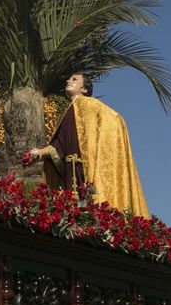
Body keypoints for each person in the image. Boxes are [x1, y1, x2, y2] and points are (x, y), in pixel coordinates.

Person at [45, 72, 148, 215]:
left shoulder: (92, 105)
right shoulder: (65, 114)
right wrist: (39, 153)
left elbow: (115, 119)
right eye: (69, 79)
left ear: (84, 89)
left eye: (74, 79)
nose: (68, 81)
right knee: (73, 208)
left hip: (87, 167)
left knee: (88, 204)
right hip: (71, 170)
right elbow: (58, 145)